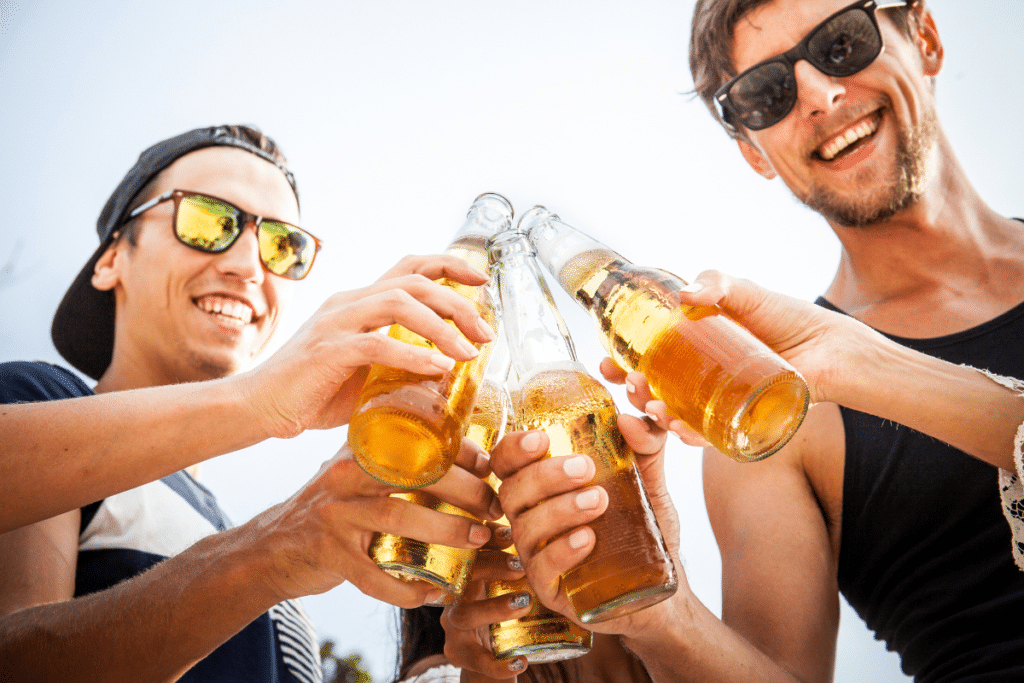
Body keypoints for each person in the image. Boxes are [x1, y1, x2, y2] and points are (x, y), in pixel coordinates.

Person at [416, 1, 1024, 680]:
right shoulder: (768, 410)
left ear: (927, 38)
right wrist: (662, 618)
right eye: (769, 91)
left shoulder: (813, 366)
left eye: (844, 42)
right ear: (751, 150)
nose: (821, 96)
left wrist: (869, 368)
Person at [0, 124, 506, 682]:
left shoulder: (248, 530)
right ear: (111, 259)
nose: (247, 266)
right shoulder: (34, 399)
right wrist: (272, 546)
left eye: (282, 245)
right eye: (207, 220)